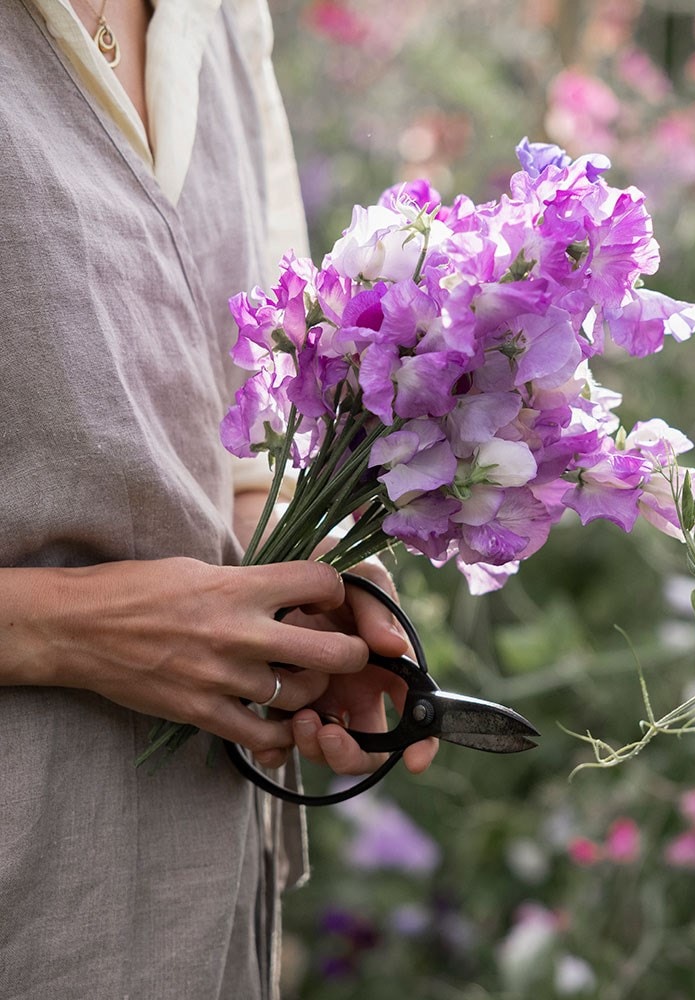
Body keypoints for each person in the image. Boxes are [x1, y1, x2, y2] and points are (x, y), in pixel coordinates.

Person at [0, 1, 435, 997]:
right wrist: (65, 630)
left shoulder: (221, 16)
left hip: (189, 899)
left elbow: (239, 423)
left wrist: (307, 577)